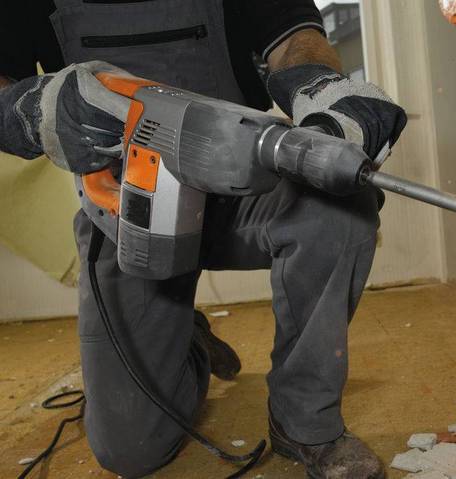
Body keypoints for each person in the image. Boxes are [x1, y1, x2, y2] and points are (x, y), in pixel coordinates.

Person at [0, 1, 407, 478]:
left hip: (242, 183)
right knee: (131, 450)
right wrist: (31, 108)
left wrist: (324, 89)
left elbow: (294, 38)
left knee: (339, 206)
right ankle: (184, 341)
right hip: (128, 205)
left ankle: (303, 421)